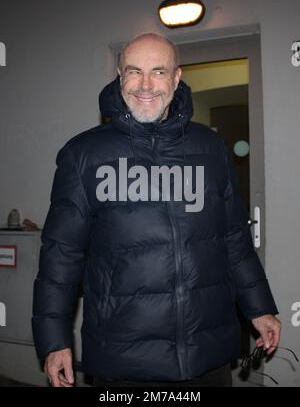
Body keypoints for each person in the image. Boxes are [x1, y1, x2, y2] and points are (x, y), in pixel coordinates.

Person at [32, 33, 281, 388]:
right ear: (120, 76)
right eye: (134, 72)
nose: (145, 85)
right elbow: (61, 254)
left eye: (158, 72)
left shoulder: (210, 148)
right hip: (124, 360)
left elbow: (233, 239)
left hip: (205, 354)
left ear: (177, 78)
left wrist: (260, 307)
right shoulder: (83, 154)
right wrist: (54, 340)